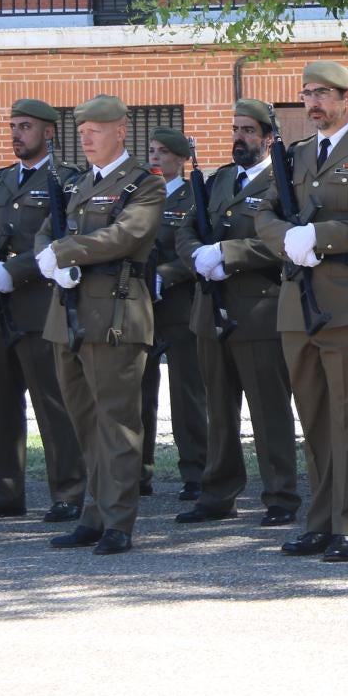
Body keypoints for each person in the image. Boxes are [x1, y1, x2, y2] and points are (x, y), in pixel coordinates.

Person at [255, 61, 348, 563]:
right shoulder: (294, 155)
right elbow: (263, 213)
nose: (313, 102)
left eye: (323, 93)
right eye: (307, 93)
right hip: (298, 304)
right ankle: (319, 523)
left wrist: (319, 236)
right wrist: (286, 240)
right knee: (314, 421)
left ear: (347, 99)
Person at [37, 94, 166, 556]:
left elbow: (127, 234)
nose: (87, 137)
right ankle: (93, 514)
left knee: (117, 423)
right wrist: (48, 255)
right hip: (69, 314)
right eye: (83, 130)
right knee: (84, 420)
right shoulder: (77, 183)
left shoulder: (144, 184)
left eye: (96, 129)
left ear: (120, 131)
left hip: (114, 312)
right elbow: (49, 229)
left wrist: (66, 252)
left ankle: (118, 520)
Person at [0, 98, 88, 523]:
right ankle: (4, 492)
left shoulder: (67, 180)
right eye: (12, 126)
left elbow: (62, 238)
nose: (16, 133)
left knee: (54, 404)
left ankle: (69, 491)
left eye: (25, 126)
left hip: (37, 305)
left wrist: (16, 270)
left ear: (49, 132)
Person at [176, 98, 302, 528]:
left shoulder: (283, 182)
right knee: (219, 409)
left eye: (248, 131)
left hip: (258, 312)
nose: (239, 138)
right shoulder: (219, 180)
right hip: (211, 310)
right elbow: (186, 229)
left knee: (269, 410)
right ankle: (218, 492)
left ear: (268, 138)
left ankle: (280, 494)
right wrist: (196, 255)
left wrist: (228, 254)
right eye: (235, 130)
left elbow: (280, 242)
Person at [139, 128, 209, 500]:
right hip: (143, 307)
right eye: (151, 150)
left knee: (187, 394)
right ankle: (137, 471)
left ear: (181, 159)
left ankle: (196, 471)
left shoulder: (193, 197)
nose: (155, 158)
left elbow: (195, 248)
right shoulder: (141, 197)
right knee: (138, 393)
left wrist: (164, 276)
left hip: (180, 305)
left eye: (163, 152)